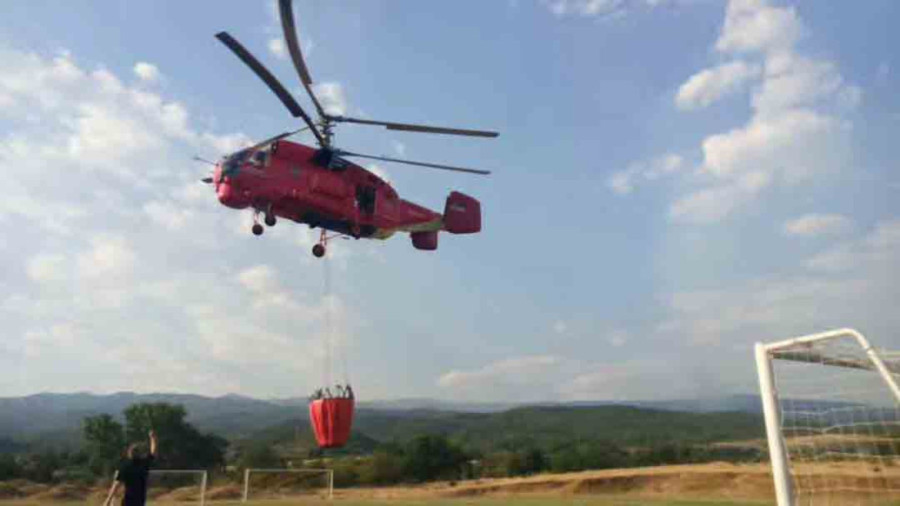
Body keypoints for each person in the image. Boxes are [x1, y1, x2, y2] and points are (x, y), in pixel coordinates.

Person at [103, 430, 158, 506]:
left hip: (128, 500)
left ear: (129, 453)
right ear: (139, 454)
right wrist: (153, 438)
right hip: (140, 500)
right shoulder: (144, 463)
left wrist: (108, 501)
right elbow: (153, 452)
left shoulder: (125, 466)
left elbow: (116, 485)